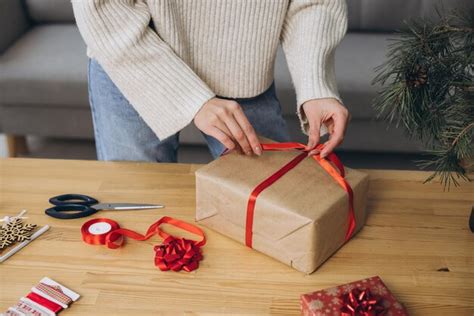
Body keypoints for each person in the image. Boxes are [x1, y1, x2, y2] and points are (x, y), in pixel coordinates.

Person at [72, 0, 350, 162]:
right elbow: (104, 8)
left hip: (244, 68)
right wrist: (189, 99)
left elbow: (312, 3)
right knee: (136, 208)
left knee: (273, 208)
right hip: (137, 65)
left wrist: (315, 84)